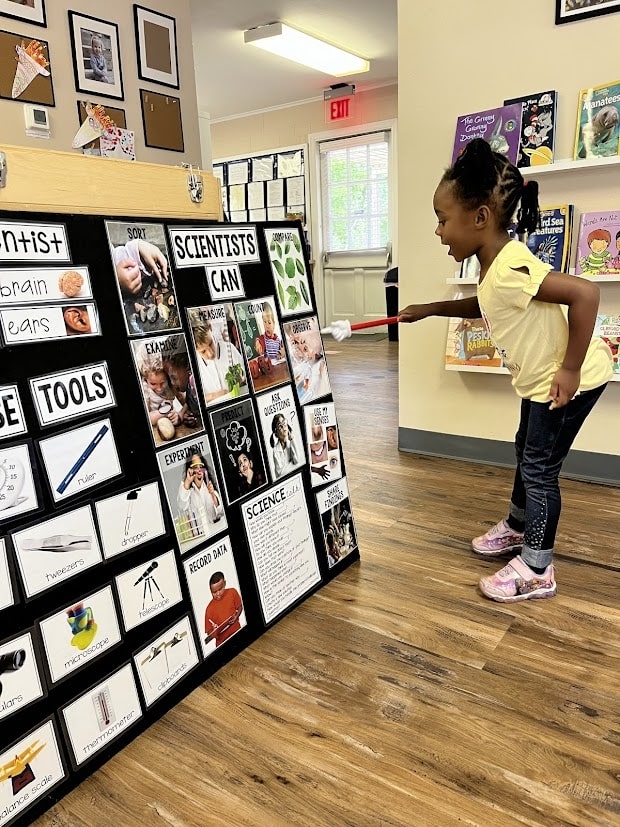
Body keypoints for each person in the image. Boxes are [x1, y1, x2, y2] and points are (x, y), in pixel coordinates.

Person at [398, 137, 613, 604]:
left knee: (539, 469)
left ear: (480, 218)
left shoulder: (511, 265)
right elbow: (490, 301)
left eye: (441, 219)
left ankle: (538, 568)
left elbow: (586, 294)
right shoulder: (494, 265)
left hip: (572, 379)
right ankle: (519, 528)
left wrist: (571, 370)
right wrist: (431, 309)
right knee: (526, 450)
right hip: (540, 378)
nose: (438, 231)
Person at [177, 453, 224, 536]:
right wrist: (187, 481)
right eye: (195, 467)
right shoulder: (188, 492)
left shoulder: (210, 489)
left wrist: (213, 495)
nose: (199, 471)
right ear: (190, 470)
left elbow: (220, 513)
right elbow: (181, 506)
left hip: (216, 533)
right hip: (200, 538)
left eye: (201, 467)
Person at [204, 571, 243, 647]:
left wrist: (236, 616)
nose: (218, 594)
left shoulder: (232, 592)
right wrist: (214, 631)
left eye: (220, 589)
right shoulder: (209, 609)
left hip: (237, 632)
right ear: (210, 590)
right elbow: (208, 631)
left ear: (224, 583)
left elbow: (240, 607)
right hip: (222, 643)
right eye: (214, 592)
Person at [164, 351, 200, 427]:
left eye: (174, 377)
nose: (172, 383)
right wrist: (180, 415)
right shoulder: (189, 387)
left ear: (188, 368)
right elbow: (189, 401)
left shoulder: (194, 383)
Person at [139, 363, 179, 427]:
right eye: (153, 384)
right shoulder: (144, 390)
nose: (159, 389)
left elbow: (176, 407)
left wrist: (176, 417)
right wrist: (166, 411)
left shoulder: (170, 387)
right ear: (146, 380)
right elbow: (147, 419)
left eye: (162, 383)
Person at [270, 413, 299, 478]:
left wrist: (292, 440)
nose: (283, 427)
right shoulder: (276, 450)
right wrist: (292, 464)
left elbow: (297, 461)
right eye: (280, 425)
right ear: (276, 432)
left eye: (284, 423)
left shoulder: (292, 441)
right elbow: (280, 474)